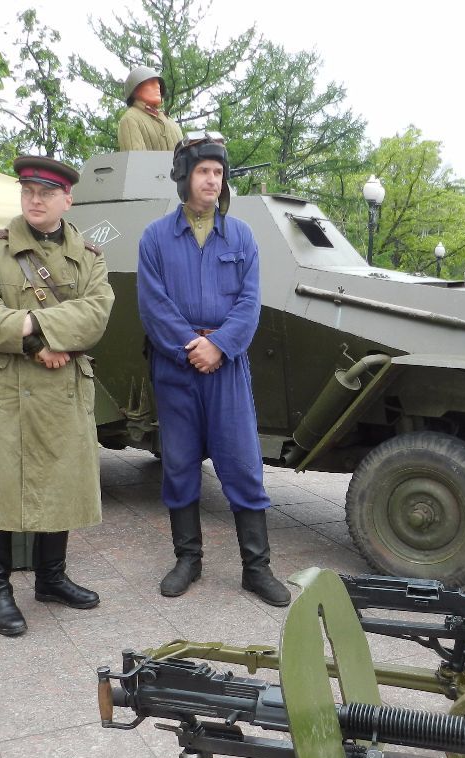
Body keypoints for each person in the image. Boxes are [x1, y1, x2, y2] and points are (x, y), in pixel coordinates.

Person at [0, 156, 114, 637]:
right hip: (2, 388)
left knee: (58, 481)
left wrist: (30, 322)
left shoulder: (91, 257)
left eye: (45, 192)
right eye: (27, 191)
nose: (34, 200)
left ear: (67, 199)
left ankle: (51, 580)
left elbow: (95, 317)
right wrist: (39, 343)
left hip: (61, 391)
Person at [136, 134, 290, 607]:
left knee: (242, 464)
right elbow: (153, 304)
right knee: (179, 464)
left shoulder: (241, 235)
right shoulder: (156, 237)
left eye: (218, 173)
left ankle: (256, 568)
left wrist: (218, 346)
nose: (212, 179)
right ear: (185, 176)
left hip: (226, 367)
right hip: (176, 367)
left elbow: (249, 302)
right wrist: (190, 346)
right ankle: (188, 559)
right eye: (203, 171)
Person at [117, 66, 184, 152]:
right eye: (151, 83)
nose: (157, 86)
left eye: (158, 83)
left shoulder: (172, 123)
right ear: (134, 91)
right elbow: (136, 162)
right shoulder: (130, 119)